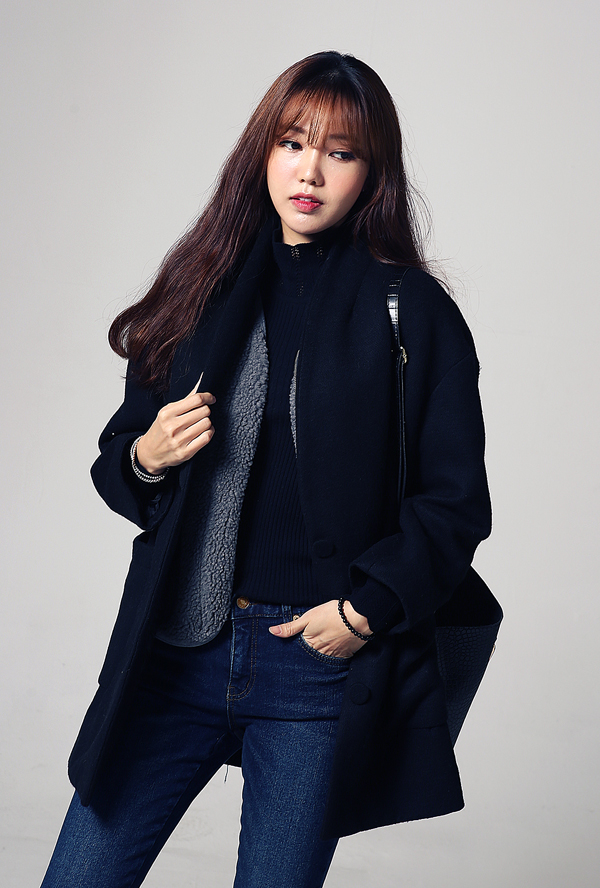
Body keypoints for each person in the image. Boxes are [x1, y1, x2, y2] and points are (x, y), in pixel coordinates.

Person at [40, 51, 491, 888]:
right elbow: (121, 466)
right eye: (292, 143)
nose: (310, 171)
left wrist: (364, 610)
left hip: (313, 669)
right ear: (264, 151)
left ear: (373, 172)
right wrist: (146, 456)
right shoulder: (203, 285)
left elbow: (454, 502)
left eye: (340, 152)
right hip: (177, 649)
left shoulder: (411, 310)